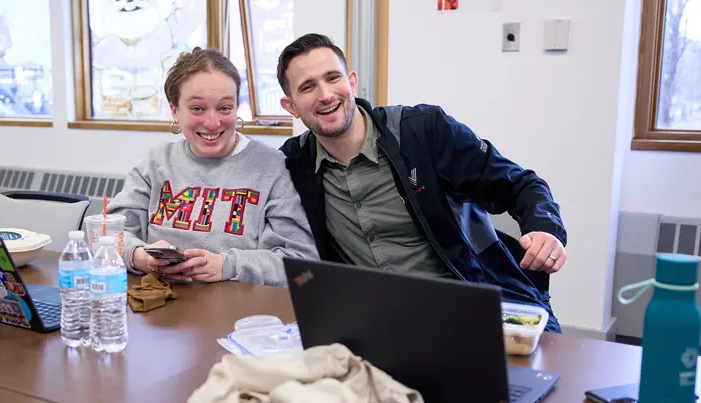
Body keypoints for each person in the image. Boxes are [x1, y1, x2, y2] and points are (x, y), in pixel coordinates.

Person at [276, 34, 567, 332]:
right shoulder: (291, 165)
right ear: (291, 106)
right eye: (308, 87)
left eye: (332, 77)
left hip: (472, 309)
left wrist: (544, 229)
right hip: (377, 324)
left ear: (351, 82)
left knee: (542, 375)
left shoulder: (424, 131)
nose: (325, 95)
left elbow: (521, 184)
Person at [108, 47, 318, 288]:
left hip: (236, 315)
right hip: (159, 310)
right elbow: (109, 233)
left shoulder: (272, 168)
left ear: (237, 108)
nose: (212, 122)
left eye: (224, 108)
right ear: (175, 111)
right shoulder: (155, 163)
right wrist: (139, 256)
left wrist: (226, 266)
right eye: (197, 108)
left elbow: (302, 268)